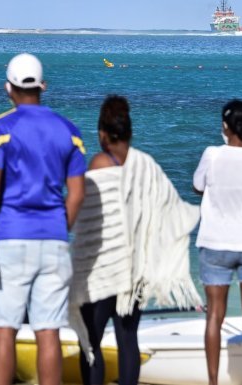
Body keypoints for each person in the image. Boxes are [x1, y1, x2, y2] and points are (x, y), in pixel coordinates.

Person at [70, 95, 201, 385]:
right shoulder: (148, 166)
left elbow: (87, 221)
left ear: (102, 133)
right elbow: (168, 211)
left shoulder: (99, 163)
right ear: (130, 132)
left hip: (105, 268)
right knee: (127, 338)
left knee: (90, 340)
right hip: (136, 269)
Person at [0, 53, 86, 385]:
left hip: (10, 237)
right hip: (53, 238)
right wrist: (59, 227)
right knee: (48, 331)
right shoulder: (70, 130)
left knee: (4, 330)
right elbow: (77, 194)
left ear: (8, 88)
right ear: (43, 86)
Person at [193, 99, 242, 385]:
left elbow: (197, 185)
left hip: (216, 241)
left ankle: (213, 381)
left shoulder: (212, 154)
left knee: (215, 315)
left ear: (225, 126)